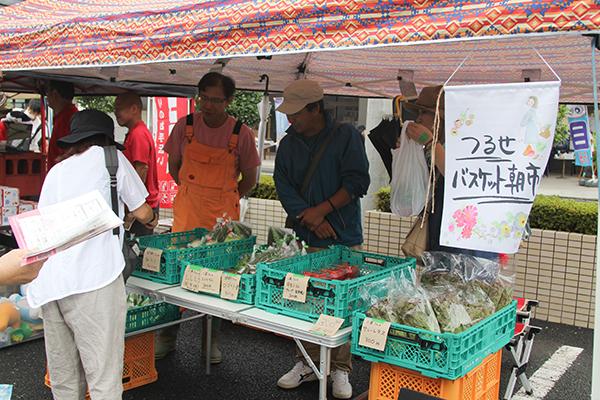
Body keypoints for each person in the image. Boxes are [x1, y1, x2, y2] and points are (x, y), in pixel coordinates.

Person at [26, 109, 157, 400]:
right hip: (94, 279)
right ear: (107, 138)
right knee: (103, 378)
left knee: (64, 380)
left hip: (53, 285)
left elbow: (43, 225)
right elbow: (143, 210)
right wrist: (148, 220)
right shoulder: (112, 159)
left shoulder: (57, 171)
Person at [273, 79, 370, 400]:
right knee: (305, 300)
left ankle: (341, 368)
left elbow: (358, 181)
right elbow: (283, 185)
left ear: (316, 108)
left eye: (297, 113)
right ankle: (305, 362)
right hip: (306, 234)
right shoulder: (288, 144)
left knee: (341, 304)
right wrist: (309, 216)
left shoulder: (346, 136)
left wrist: (323, 211)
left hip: (344, 235)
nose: (291, 119)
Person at [163, 72, 260, 362]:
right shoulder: (185, 126)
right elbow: (174, 167)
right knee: (175, 275)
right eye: (204, 98)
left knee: (216, 279)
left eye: (216, 100)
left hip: (222, 220)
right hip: (187, 214)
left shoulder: (241, 133)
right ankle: (167, 335)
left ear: (229, 101)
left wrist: (227, 195)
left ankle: (211, 341)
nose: (208, 105)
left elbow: (250, 179)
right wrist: (193, 191)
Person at [114, 93, 160, 235]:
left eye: (119, 109)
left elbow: (141, 169)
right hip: (140, 206)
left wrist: (132, 206)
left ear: (134, 109)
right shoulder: (135, 132)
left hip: (141, 207)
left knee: (135, 253)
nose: (116, 113)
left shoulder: (138, 134)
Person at [46, 80, 78, 169]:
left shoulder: (67, 118)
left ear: (55, 94)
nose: (46, 96)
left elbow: (67, 153)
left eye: (47, 92)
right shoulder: (66, 115)